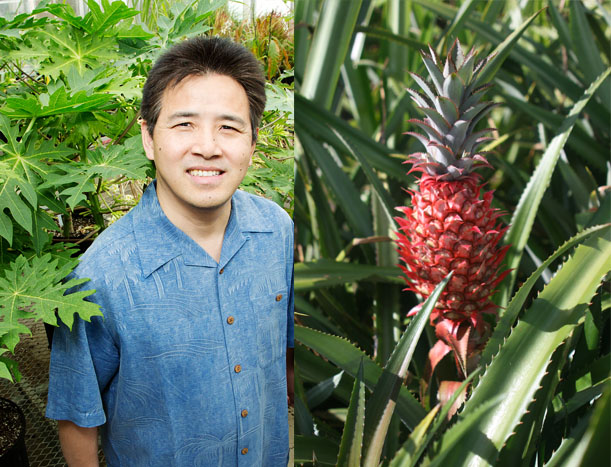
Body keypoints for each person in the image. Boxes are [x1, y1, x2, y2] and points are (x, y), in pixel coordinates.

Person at [46, 36, 294, 466]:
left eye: (229, 127)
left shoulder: (278, 231)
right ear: (148, 137)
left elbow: (287, 356)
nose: (208, 146)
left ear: (252, 143)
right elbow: (76, 416)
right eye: (184, 124)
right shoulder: (100, 274)